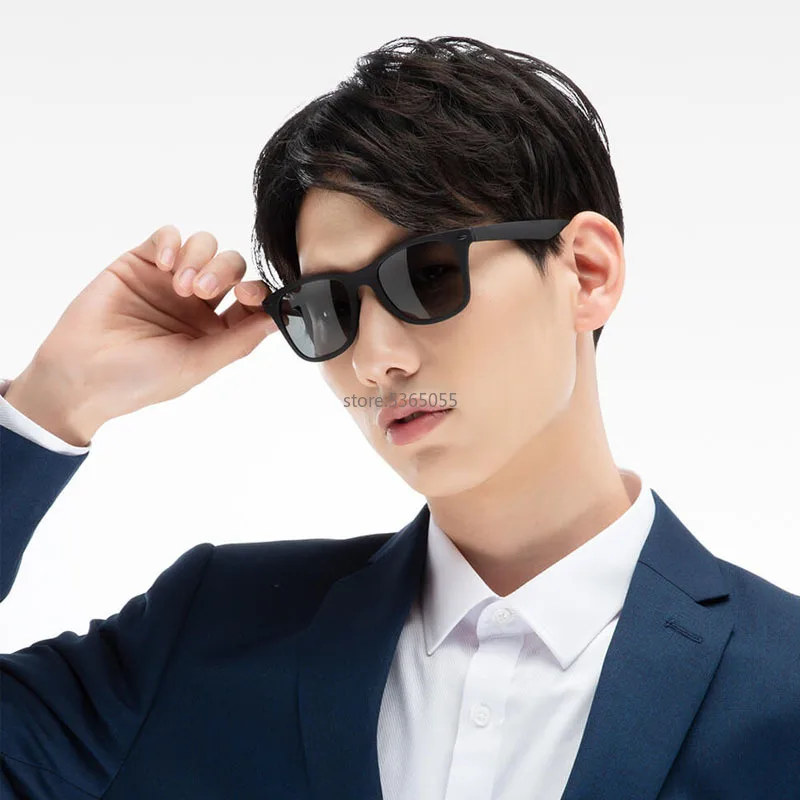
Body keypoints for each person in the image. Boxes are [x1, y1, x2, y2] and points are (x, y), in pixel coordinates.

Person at [1, 34, 798, 800]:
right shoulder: (210, 634)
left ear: (585, 273)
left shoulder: (781, 685)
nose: (375, 359)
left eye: (429, 274)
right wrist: (51, 403)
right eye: (328, 309)